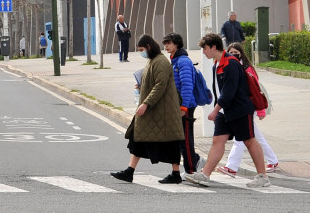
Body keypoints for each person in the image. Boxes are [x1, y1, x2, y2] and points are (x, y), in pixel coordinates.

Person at [184, 33, 270, 188]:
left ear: (214, 47)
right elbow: (221, 91)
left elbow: (229, 92)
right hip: (225, 111)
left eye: (205, 48)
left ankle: (262, 176)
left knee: (249, 140)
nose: (203, 52)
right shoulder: (216, 64)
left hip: (239, 110)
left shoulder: (230, 63)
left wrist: (215, 110)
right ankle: (205, 175)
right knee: (218, 141)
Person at [110, 35, 185, 184]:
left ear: (149, 47)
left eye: (142, 50)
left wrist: (146, 103)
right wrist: (141, 85)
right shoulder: (153, 60)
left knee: (170, 142)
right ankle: (129, 171)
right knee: (137, 138)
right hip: (154, 111)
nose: (141, 53)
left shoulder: (161, 62)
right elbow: (152, 82)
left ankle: (175, 173)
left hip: (162, 111)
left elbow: (160, 85)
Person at [217, 42, 279, 177]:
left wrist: (261, 110)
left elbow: (256, 90)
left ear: (241, 53)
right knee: (254, 137)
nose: (233, 55)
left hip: (247, 107)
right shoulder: (232, 66)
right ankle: (272, 160)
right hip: (242, 108)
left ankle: (232, 166)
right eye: (231, 52)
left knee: (242, 138)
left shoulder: (247, 68)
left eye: (236, 52)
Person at [162, 33, 204, 174]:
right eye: (165, 43)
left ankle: (191, 169)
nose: (166, 46)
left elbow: (187, 86)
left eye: (169, 43)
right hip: (178, 105)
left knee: (185, 139)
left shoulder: (183, 61)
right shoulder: (175, 60)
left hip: (185, 106)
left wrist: (184, 107)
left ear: (177, 44)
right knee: (181, 139)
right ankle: (196, 160)